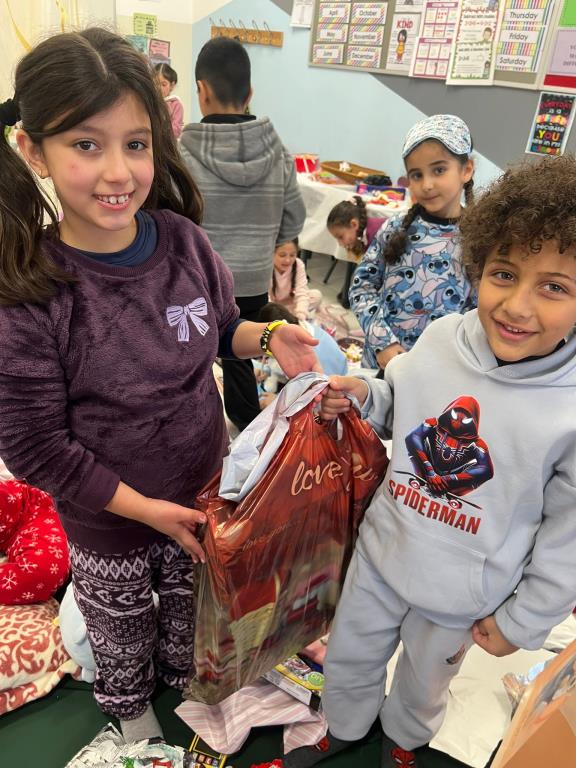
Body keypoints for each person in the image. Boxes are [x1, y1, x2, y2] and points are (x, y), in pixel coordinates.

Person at [0, 27, 318, 744]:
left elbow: (220, 328)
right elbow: (35, 448)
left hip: (202, 493)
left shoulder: (183, 241)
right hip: (109, 517)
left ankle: (180, 682)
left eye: (136, 144)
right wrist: (144, 511)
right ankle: (129, 706)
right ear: (33, 151)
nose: (118, 171)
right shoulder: (32, 292)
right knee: (118, 626)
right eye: (86, 144)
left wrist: (270, 334)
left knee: (187, 616)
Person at [283, 155, 576, 768]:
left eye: (554, 287)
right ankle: (344, 727)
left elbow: (567, 537)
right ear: (478, 266)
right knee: (350, 656)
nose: (517, 306)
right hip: (384, 551)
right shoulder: (443, 338)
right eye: (503, 273)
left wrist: (524, 620)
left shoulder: (569, 410)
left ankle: (404, 742)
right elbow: (404, 403)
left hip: (463, 593)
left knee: (424, 681)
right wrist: (366, 395)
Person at [180, 37, 305, 432]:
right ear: (249, 93)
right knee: (241, 355)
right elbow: (294, 219)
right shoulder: (279, 153)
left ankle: (197, 425)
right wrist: (264, 240)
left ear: (201, 90)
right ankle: (248, 424)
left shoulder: (181, 156)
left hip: (198, 279)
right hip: (251, 280)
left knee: (190, 350)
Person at [349, 114, 475, 370]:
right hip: (380, 366)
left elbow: (477, 314)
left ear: (466, 170)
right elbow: (362, 287)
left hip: (439, 370)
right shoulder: (394, 229)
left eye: (439, 170)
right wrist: (383, 343)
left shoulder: (478, 239)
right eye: (416, 175)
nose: (427, 185)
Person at [327, 196, 384, 308]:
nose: (340, 244)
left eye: (340, 237)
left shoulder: (376, 234)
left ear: (354, 224)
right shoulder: (363, 237)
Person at [269, 239, 322, 321]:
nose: (288, 260)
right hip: (273, 305)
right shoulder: (267, 267)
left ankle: (289, 315)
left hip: (291, 304)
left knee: (316, 295)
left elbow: (301, 291)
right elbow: (265, 297)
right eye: (282, 255)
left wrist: (301, 313)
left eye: (292, 255)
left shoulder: (298, 264)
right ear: (272, 253)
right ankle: (286, 316)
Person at [154, 63, 184, 139]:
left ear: (172, 86)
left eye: (163, 84)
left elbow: (176, 130)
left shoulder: (176, 104)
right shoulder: (151, 102)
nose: (159, 88)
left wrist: (160, 132)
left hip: (168, 143)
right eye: (156, 83)